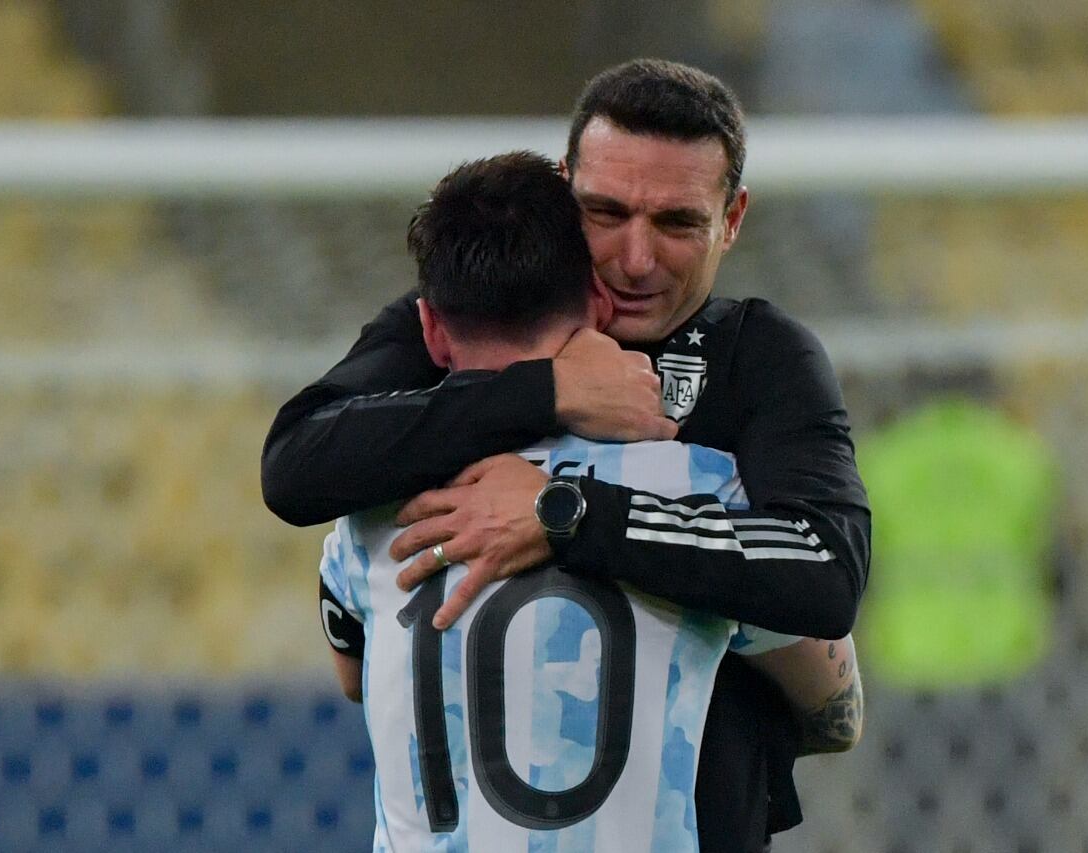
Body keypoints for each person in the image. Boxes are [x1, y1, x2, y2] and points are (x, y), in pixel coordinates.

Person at [265, 59, 869, 852]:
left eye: (677, 223)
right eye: (605, 212)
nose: (635, 258)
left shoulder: (759, 356)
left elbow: (827, 571)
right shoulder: (463, 321)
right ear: (562, 188)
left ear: (733, 217)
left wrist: (566, 512)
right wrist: (545, 391)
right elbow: (295, 465)